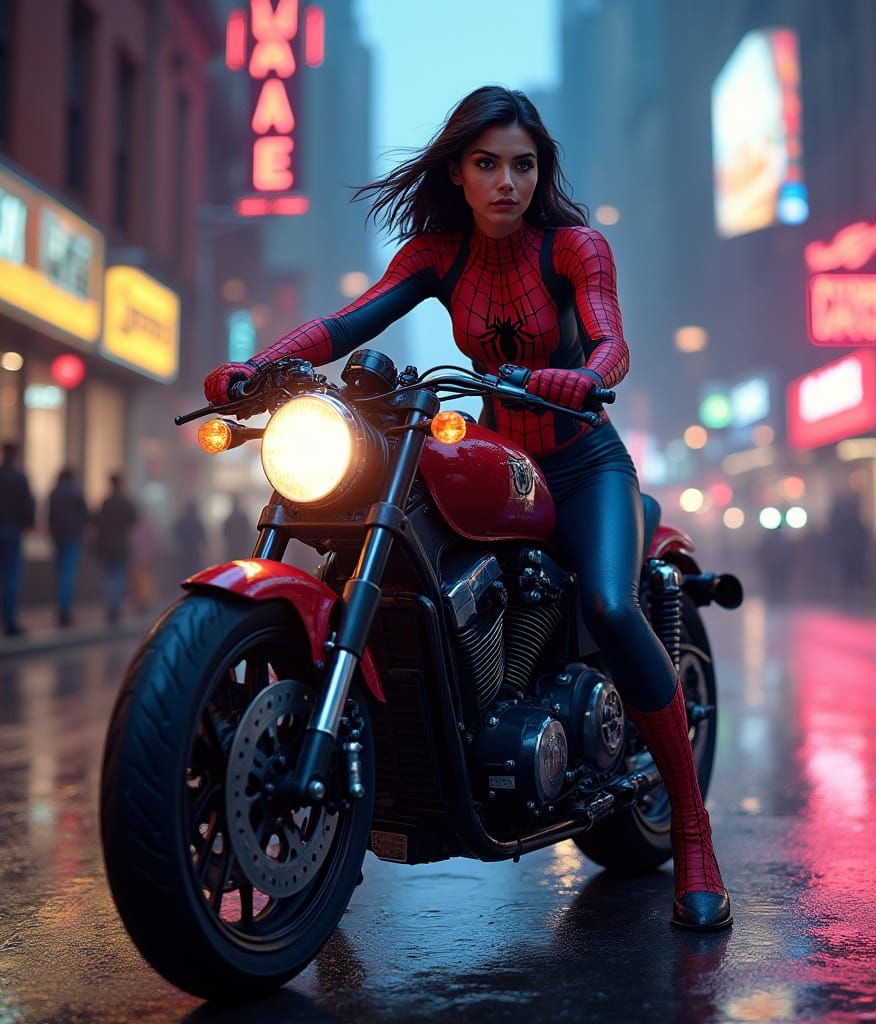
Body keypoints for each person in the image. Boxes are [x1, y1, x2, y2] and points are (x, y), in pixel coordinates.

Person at [204, 86, 731, 931]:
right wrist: (262, 366)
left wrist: (589, 375)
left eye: (522, 165)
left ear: (539, 172)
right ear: (458, 171)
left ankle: (696, 834)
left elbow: (609, 336)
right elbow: (348, 321)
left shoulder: (574, 247)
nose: (505, 182)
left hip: (584, 457)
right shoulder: (436, 256)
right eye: (487, 164)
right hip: (508, 452)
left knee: (606, 600)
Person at [0, 441, 35, 636]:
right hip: (13, 532)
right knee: (11, 577)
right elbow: (28, 504)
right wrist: (27, 525)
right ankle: (9, 620)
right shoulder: (19, 477)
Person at [47, 466, 89, 626]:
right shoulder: (76, 493)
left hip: (58, 537)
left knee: (59, 574)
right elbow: (85, 516)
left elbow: (50, 515)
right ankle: (65, 610)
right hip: (72, 537)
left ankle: (61, 608)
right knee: (67, 574)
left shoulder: (55, 492)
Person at [95, 473, 137, 625]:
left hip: (107, 546)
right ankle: (115, 609)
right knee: (118, 578)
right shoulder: (126, 502)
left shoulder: (106, 503)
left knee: (108, 578)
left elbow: (98, 522)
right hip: (120, 546)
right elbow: (134, 520)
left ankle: (110, 608)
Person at [173, 501, 207, 575]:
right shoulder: (197, 522)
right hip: (195, 551)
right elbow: (203, 538)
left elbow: (176, 536)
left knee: (186, 572)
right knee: (195, 572)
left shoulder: (181, 522)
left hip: (184, 551)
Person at [221, 495, 252, 560]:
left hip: (232, 548)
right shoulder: (243, 518)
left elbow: (225, 534)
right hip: (241, 547)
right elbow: (248, 532)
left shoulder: (229, 519)